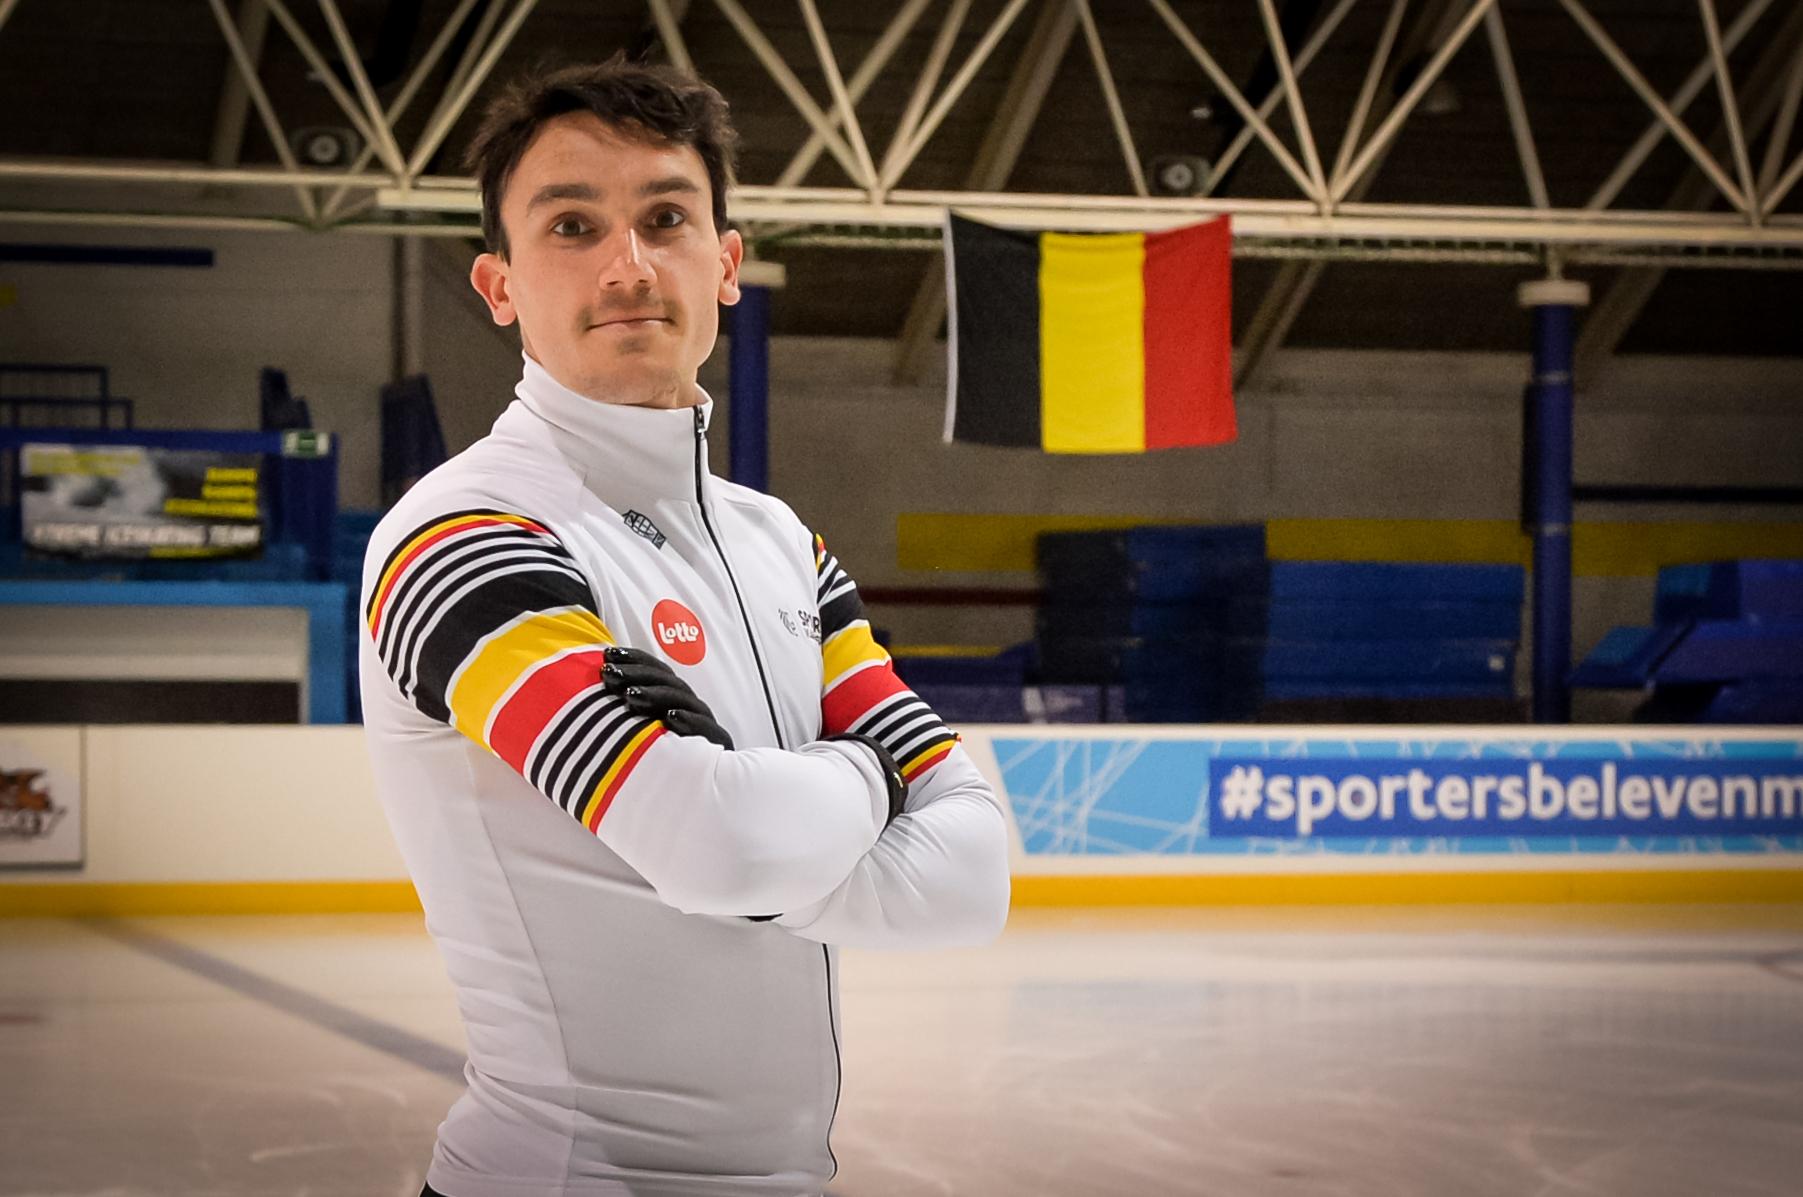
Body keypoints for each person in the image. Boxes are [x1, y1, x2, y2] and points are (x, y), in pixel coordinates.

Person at [358, 57, 1011, 1197]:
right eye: (571, 225)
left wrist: (760, 809)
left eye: (666, 217)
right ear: (498, 284)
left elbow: (972, 878)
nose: (628, 265)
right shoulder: (463, 535)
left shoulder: (782, 545)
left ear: (727, 264)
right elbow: (722, 846)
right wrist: (863, 773)